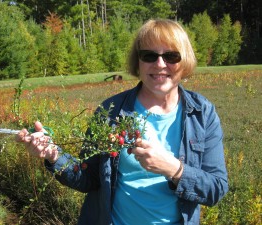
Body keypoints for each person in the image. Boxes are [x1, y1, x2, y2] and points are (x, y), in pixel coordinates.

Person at [16, 19, 228, 225]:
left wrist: (173, 169)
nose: (160, 64)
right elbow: (88, 177)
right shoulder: (111, 112)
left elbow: (216, 189)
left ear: (185, 61)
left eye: (171, 56)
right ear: (138, 61)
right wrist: (54, 155)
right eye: (149, 55)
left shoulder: (202, 113)